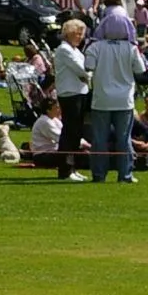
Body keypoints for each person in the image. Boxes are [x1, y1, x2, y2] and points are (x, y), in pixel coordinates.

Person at [87, 14, 142, 184]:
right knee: (123, 139)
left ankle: (99, 174)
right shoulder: (131, 48)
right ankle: (125, 175)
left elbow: (88, 66)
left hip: (102, 99)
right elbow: (140, 69)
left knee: (99, 139)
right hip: (124, 100)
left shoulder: (95, 47)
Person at [53, 19, 93, 182]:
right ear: (68, 33)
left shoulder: (75, 50)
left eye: (81, 34)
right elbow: (83, 70)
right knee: (69, 131)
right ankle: (65, 169)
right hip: (70, 93)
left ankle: (72, 167)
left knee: (76, 132)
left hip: (80, 92)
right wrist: (87, 75)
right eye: (77, 34)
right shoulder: (64, 50)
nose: (80, 37)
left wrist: (87, 75)